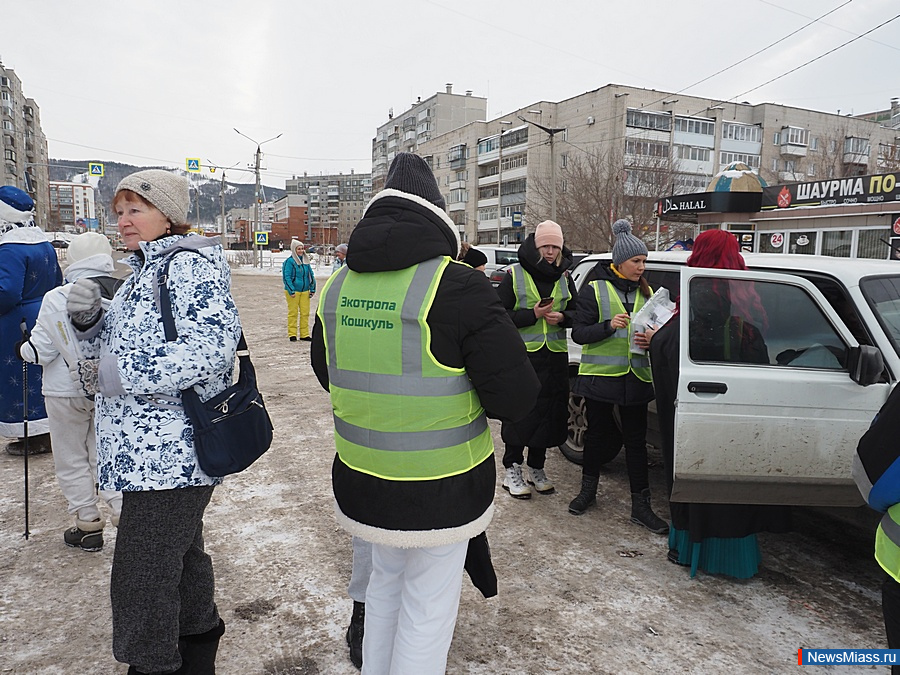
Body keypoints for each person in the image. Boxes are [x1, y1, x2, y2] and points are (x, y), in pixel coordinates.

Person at [311, 153, 539, 674]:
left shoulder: (337, 287)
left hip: (363, 481)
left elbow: (330, 373)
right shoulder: (458, 286)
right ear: (438, 218)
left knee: (383, 589)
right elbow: (516, 398)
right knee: (428, 608)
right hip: (445, 488)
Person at [67, 169, 238, 674]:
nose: (123, 221)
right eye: (118, 211)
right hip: (146, 450)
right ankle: (197, 649)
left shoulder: (190, 267)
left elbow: (212, 349)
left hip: (175, 450)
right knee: (181, 561)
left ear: (168, 214)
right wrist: (89, 323)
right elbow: (112, 359)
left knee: (141, 575)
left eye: (134, 209)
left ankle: (151, 664)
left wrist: (127, 374)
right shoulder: (144, 270)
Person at [644, 229, 790, 577]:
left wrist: (655, 339)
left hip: (700, 403)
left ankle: (694, 551)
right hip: (739, 404)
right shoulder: (743, 290)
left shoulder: (703, 291)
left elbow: (680, 345)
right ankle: (735, 555)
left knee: (696, 475)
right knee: (732, 479)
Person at [17, 232, 123, 551]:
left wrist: (23, 347)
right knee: (106, 452)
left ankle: (87, 523)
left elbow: (41, 352)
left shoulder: (56, 298)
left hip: (64, 392)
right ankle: (123, 513)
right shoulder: (121, 293)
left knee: (71, 456)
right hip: (108, 387)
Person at [568, 219, 667, 534]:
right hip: (601, 379)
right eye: (636, 261)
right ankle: (588, 492)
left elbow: (658, 329)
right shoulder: (595, 289)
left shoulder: (648, 292)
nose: (642, 267)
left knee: (635, 443)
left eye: (644, 261)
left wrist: (653, 337)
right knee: (596, 438)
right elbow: (580, 334)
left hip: (635, 380)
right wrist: (608, 326)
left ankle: (641, 506)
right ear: (619, 263)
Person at [495, 221, 576, 499]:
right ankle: (512, 468)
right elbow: (498, 315)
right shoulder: (514, 275)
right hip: (523, 357)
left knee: (547, 414)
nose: (551, 251)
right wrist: (533, 315)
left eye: (555, 246)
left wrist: (563, 317)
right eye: (546, 246)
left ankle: (536, 467)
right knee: (521, 413)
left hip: (553, 358)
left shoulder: (565, 277)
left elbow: (579, 313)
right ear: (536, 246)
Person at [0, 185, 61, 455]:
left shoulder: (10, 248)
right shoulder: (42, 243)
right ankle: (45, 430)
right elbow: (58, 279)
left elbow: (7, 291)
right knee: (38, 376)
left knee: (19, 376)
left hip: (16, 321)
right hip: (42, 315)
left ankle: (31, 435)